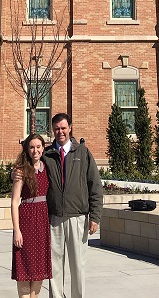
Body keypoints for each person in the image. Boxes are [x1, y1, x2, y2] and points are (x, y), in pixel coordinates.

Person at [43, 113, 103, 298]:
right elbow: (29, 172)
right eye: (56, 129)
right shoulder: (47, 155)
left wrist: (95, 217)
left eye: (63, 128)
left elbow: (95, 185)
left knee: (77, 266)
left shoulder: (83, 153)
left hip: (78, 217)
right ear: (53, 131)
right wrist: (14, 175)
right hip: (54, 219)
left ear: (70, 128)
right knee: (54, 267)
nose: (60, 132)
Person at [11, 133, 52, 298]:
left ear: (43, 148)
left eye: (38, 147)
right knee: (24, 265)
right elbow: (14, 202)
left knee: (39, 268)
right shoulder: (21, 171)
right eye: (32, 147)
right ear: (27, 150)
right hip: (26, 219)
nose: (35, 150)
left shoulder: (47, 167)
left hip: (42, 220)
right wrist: (17, 230)